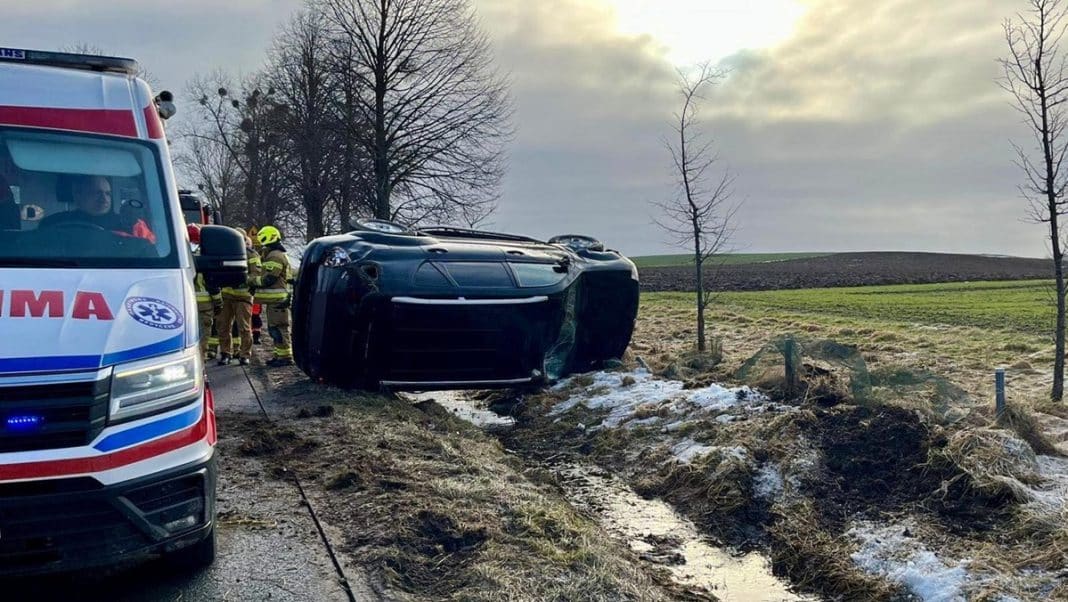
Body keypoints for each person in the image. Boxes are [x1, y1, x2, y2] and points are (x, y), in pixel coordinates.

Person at [39, 174, 155, 242]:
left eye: (108, 194)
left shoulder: (132, 225)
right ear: (77, 194)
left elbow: (150, 253)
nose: (104, 199)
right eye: (97, 193)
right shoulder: (53, 224)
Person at [216, 230, 261, 366]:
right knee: (223, 326)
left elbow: (256, 274)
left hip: (243, 296)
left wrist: (242, 280)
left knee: (244, 327)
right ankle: (225, 354)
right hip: (226, 295)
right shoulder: (225, 253)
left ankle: (244, 355)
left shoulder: (252, 255)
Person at [256, 225, 293, 367]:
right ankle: (280, 355)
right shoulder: (275, 254)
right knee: (274, 328)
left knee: (279, 329)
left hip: (278, 301)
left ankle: (285, 357)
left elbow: (268, 279)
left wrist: (251, 281)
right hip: (276, 301)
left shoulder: (275, 256)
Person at [188, 224, 220, 360]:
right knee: (203, 334)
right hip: (204, 306)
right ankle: (200, 359)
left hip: (183, 305)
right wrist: (218, 302)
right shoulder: (205, 257)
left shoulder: (175, 253)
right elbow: (212, 283)